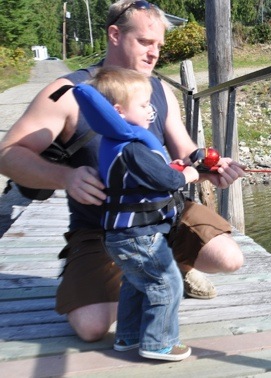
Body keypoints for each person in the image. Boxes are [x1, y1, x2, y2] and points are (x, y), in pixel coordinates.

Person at [0, 0, 245, 343]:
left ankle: (171, 265)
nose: (154, 53)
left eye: (159, 45)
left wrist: (211, 164)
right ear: (115, 34)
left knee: (228, 258)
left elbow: (185, 149)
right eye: (145, 42)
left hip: (163, 215)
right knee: (92, 326)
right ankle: (140, 270)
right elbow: (9, 154)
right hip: (101, 226)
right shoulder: (68, 92)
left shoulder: (158, 89)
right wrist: (65, 177)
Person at [77, 67, 197, 360]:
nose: (150, 110)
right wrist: (189, 174)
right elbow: (167, 181)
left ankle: (128, 336)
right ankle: (159, 343)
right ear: (118, 111)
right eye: (144, 105)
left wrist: (172, 168)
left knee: (134, 283)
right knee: (166, 283)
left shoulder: (115, 142)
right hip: (139, 236)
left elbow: (148, 175)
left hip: (122, 235)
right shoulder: (132, 147)